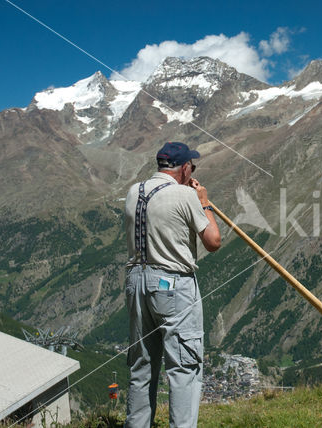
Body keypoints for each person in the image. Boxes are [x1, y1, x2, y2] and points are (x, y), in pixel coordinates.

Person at [124, 141, 221, 427]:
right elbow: (213, 242)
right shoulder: (184, 195)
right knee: (184, 366)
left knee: (142, 365)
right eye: (192, 166)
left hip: (136, 283)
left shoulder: (134, 192)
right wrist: (203, 200)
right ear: (185, 168)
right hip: (172, 285)